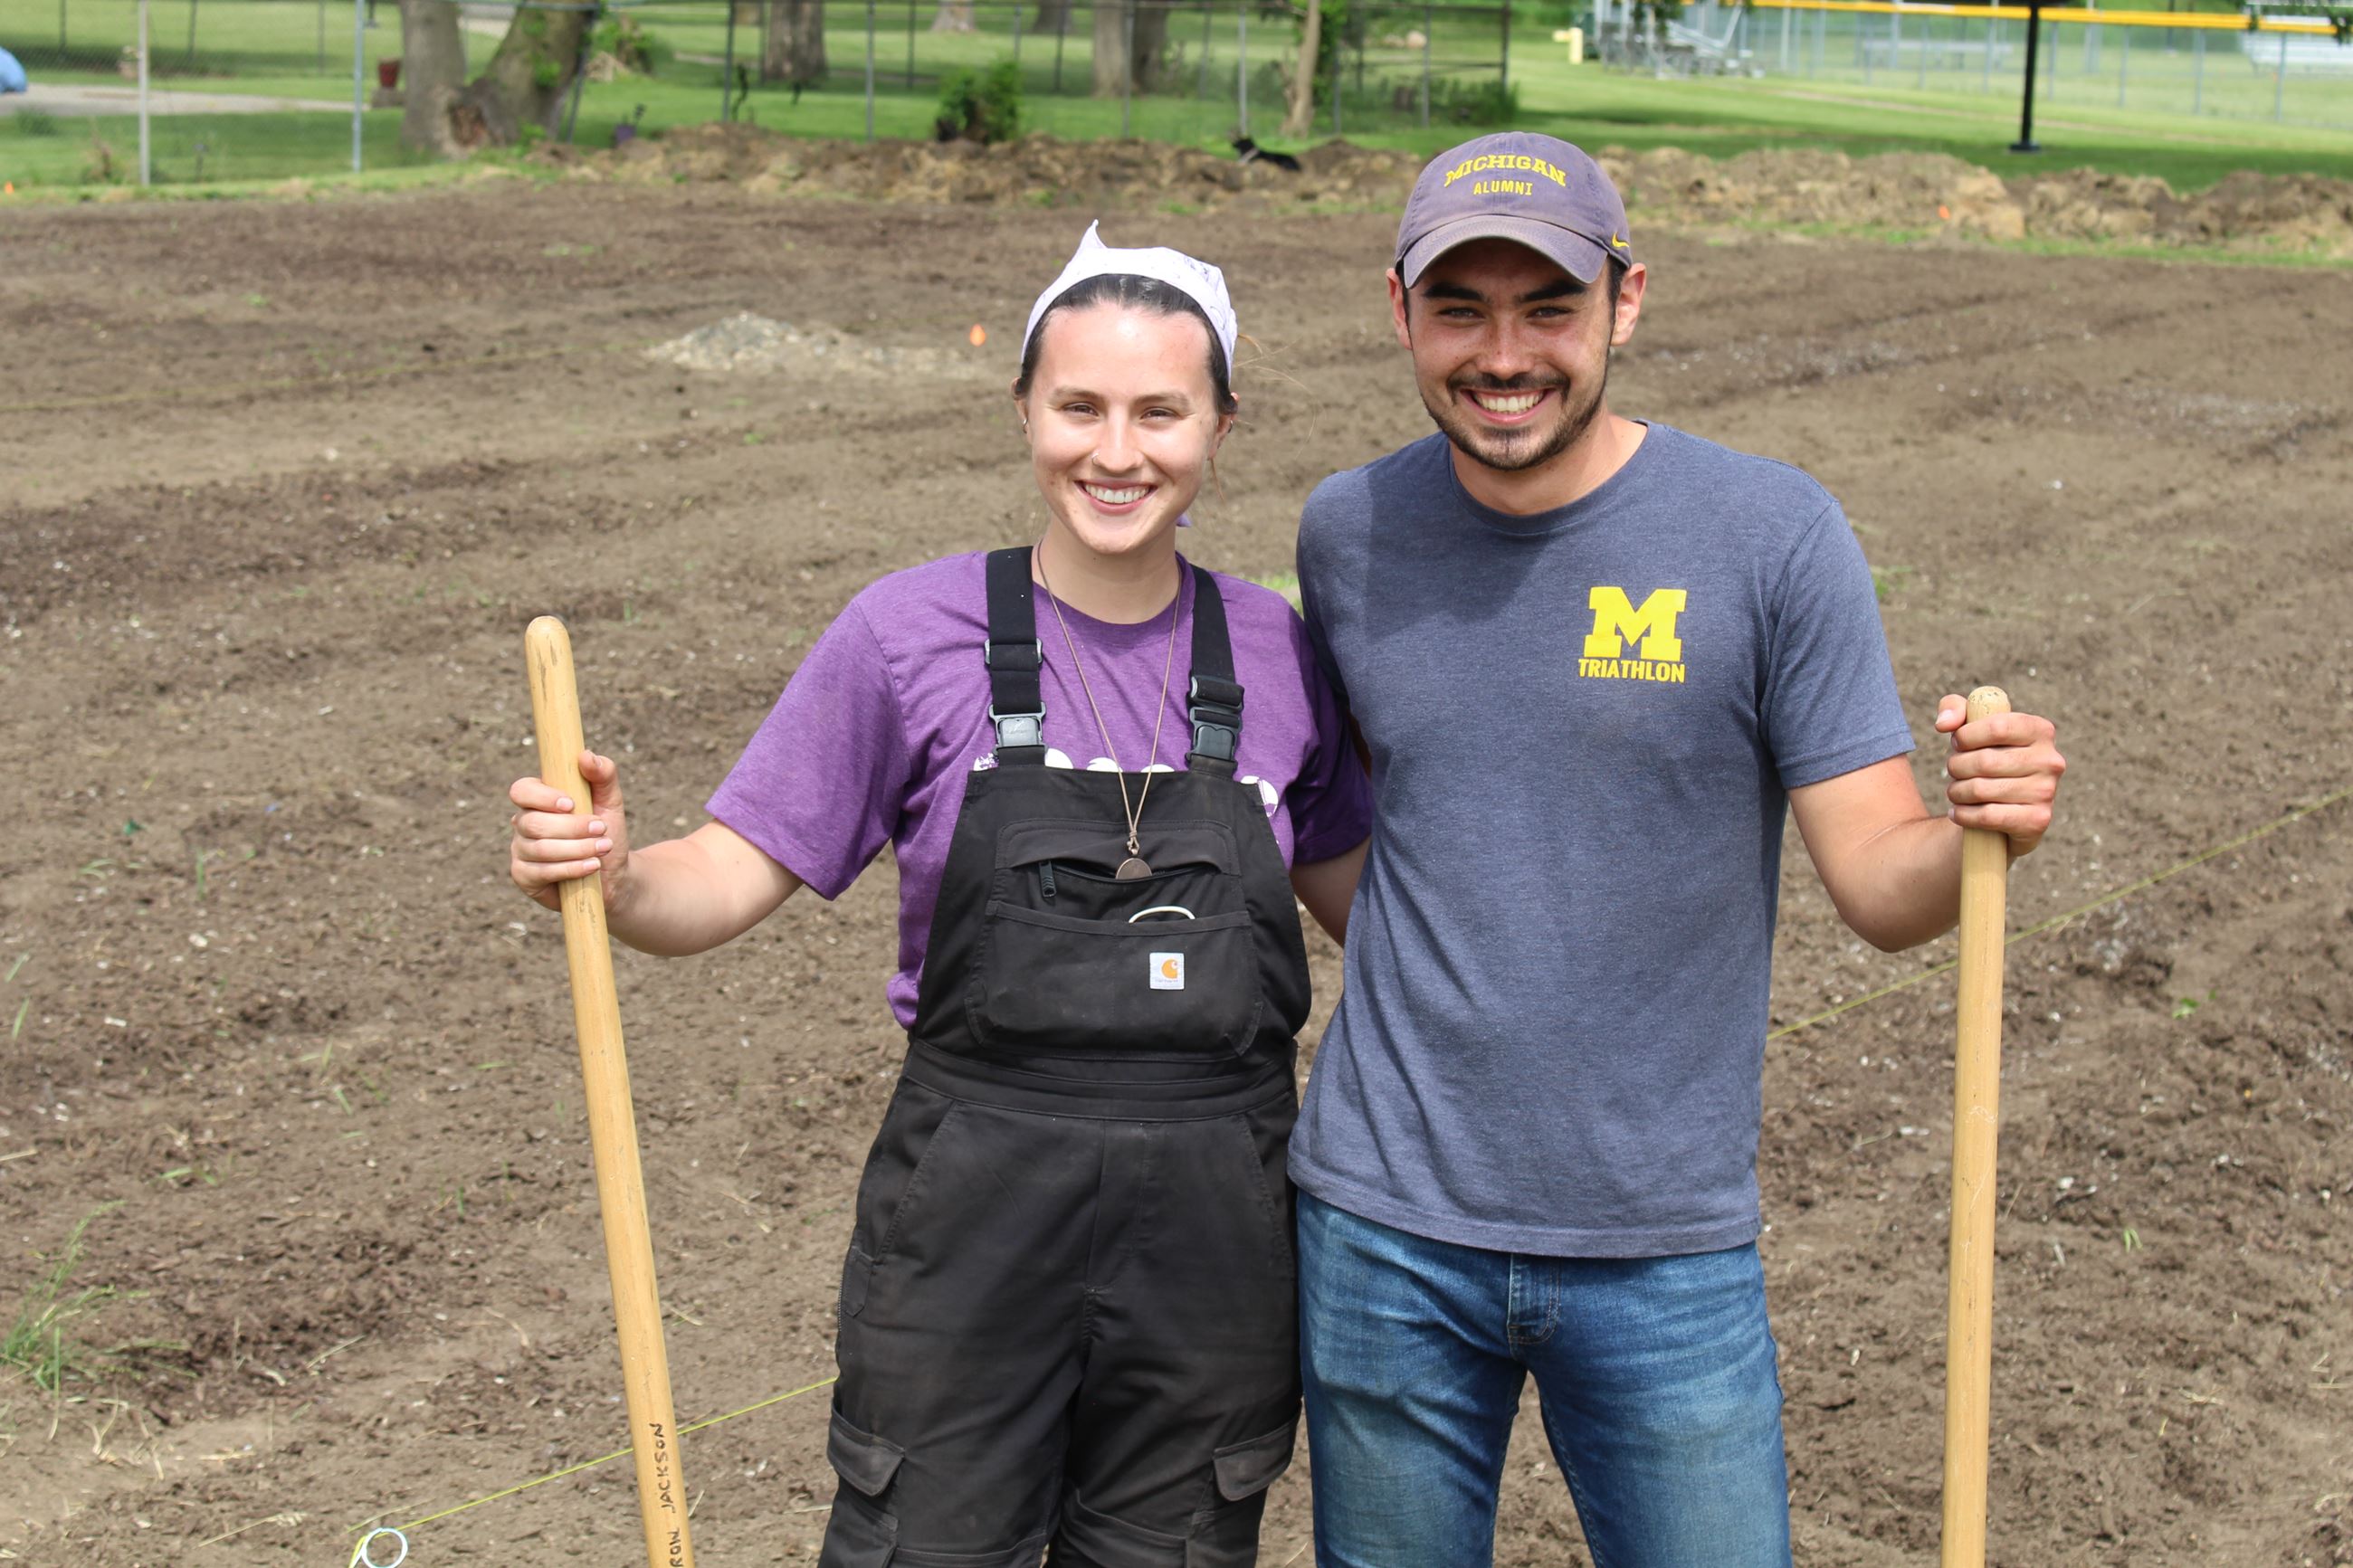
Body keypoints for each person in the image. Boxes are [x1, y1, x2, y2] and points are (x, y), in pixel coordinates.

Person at [509, 225, 1372, 1566]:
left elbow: (1379, 919)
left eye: (1160, 411)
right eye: (1079, 407)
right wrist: (612, 874)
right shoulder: (906, 636)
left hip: (1215, 1246)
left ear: (1221, 424)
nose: (1117, 450)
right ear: (1024, 408)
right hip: (971, 1229)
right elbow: (721, 877)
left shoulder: (1279, 653)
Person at [1286, 133, 2067, 1568]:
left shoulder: (1768, 536)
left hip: (1662, 1247)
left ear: (1626, 301)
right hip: (1385, 1235)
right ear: (1399, 311)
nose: (1503, 355)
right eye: (1460, 309)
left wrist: (1979, 830)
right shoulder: (1349, 534)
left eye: (1550, 308)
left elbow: (1879, 881)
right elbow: (1361, 838)